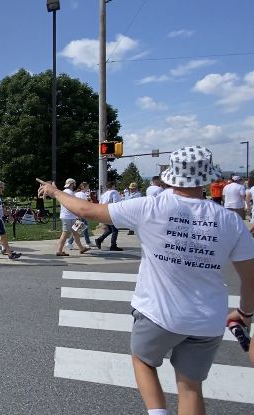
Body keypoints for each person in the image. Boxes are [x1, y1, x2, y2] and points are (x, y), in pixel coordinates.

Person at [38, 145, 254, 415]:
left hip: (158, 313)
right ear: (208, 178)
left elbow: (87, 210)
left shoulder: (150, 207)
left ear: (170, 177)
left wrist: (56, 191)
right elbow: (250, 277)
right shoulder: (230, 222)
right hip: (207, 319)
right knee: (190, 387)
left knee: (143, 361)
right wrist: (245, 313)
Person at [56, 178, 90, 256]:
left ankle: (82, 248)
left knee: (76, 232)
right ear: (71, 184)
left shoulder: (64, 192)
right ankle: (59, 250)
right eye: (74, 184)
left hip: (68, 216)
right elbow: (73, 205)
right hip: (69, 216)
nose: (75, 185)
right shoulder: (70, 193)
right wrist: (78, 214)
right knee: (65, 233)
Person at [94, 182, 123, 251]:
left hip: (104, 212)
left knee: (110, 230)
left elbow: (100, 203)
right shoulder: (114, 192)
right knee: (115, 230)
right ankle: (113, 245)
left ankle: (99, 240)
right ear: (113, 186)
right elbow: (116, 203)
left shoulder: (103, 194)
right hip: (111, 212)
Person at [67, 182, 95, 249]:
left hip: (77, 213)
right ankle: (69, 242)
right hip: (81, 214)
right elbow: (85, 204)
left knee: (84, 227)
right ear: (83, 187)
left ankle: (88, 242)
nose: (88, 188)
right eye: (87, 187)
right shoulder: (83, 194)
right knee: (77, 229)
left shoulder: (76, 193)